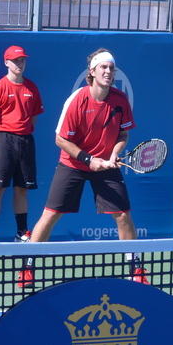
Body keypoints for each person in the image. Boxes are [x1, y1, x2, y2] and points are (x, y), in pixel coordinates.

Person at [17, 48, 148, 288]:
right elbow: (60, 139)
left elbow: (123, 134)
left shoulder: (120, 100)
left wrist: (113, 154)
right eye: (103, 68)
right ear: (92, 72)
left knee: (123, 216)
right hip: (73, 164)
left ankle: (135, 268)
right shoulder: (77, 100)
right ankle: (28, 266)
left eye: (111, 68)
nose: (108, 72)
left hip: (106, 165)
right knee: (51, 215)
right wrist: (89, 160)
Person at [0, 45, 44, 243]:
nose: (20, 64)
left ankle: (21, 232)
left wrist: (22, 131)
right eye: (16, 60)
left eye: (22, 60)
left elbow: (33, 117)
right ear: (6, 63)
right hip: (3, 139)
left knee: (22, 188)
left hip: (25, 141)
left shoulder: (32, 87)